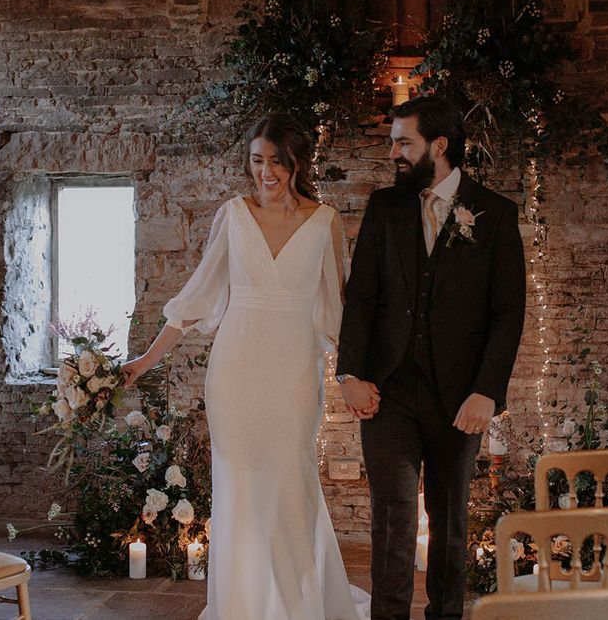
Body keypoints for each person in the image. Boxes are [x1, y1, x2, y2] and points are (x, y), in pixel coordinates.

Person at [123, 112, 369, 620]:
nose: (267, 173)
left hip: (295, 374)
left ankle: (298, 604)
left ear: (297, 163)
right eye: (258, 161)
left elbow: (338, 312)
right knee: (238, 486)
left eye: (277, 162)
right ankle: (243, 606)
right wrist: (146, 360)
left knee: (290, 480)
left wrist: (351, 376)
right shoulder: (233, 216)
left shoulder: (325, 223)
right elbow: (196, 298)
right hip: (235, 373)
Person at [336, 95, 526, 620]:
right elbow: (363, 297)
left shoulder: (495, 215)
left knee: (449, 521)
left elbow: (508, 312)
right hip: (389, 392)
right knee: (392, 519)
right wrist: (350, 373)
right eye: (393, 141)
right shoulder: (383, 207)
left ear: (438, 146)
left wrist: (487, 390)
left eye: (404, 143)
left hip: (460, 396)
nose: (393, 152)